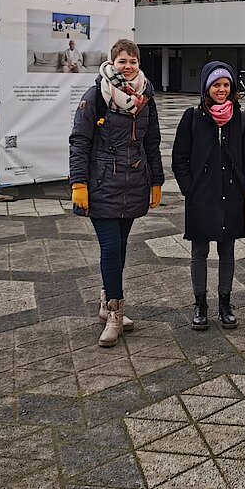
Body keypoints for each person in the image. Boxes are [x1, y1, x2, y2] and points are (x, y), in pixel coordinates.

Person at [69, 38, 164, 347]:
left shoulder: (146, 97)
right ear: (112, 63)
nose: (128, 66)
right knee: (110, 248)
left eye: (133, 61)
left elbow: (152, 142)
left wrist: (157, 181)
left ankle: (105, 298)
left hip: (135, 182)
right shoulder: (96, 95)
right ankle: (115, 313)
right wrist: (79, 183)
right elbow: (79, 141)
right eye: (122, 60)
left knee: (121, 248)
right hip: (102, 184)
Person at [172, 61, 245, 331]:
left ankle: (225, 303)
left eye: (226, 85)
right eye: (216, 84)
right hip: (201, 194)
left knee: (227, 249)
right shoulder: (192, 117)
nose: (221, 89)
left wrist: (244, 186)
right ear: (206, 87)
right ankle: (200, 304)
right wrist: (189, 187)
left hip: (230, 194)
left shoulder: (242, 119)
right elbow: (179, 157)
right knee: (199, 250)